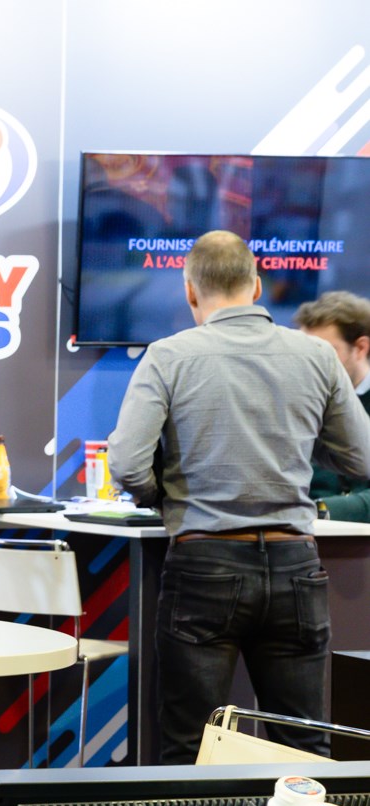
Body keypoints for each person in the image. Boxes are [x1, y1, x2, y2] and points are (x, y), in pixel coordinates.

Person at [108, 231, 370, 764]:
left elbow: (128, 464)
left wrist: (167, 500)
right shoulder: (317, 356)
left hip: (203, 564)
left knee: (190, 746)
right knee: (304, 747)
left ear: (189, 291)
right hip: (296, 566)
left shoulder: (168, 356)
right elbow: (362, 460)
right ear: (256, 287)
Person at [297, 291, 370, 520]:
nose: (312, 364)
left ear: (361, 348)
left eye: (324, 352)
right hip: (303, 532)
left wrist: (323, 510)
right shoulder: (296, 400)